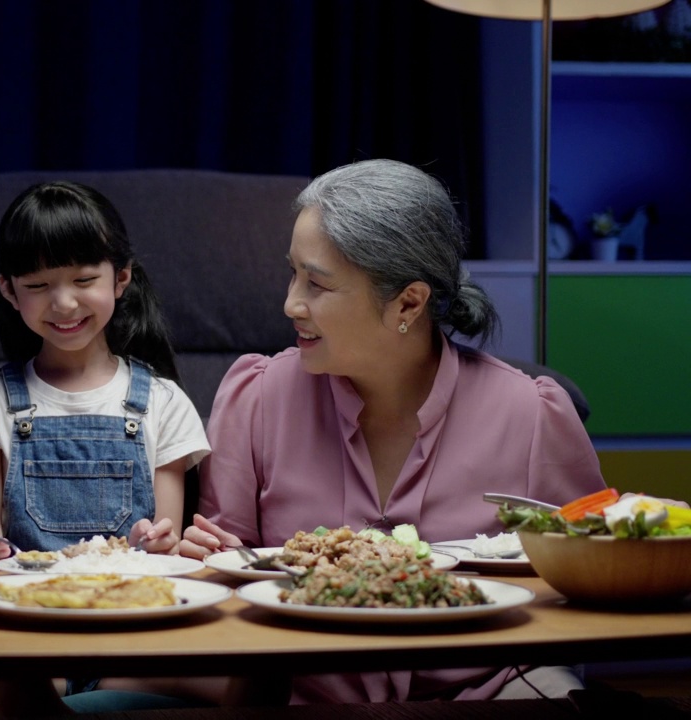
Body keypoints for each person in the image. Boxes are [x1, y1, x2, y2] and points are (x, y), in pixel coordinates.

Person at [179, 158, 608, 704]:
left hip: (491, 689)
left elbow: (592, 582)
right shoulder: (257, 397)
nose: (291, 303)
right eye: (293, 274)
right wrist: (204, 559)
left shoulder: (532, 413)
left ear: (409, 302)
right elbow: (226, 573)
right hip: (305, 695)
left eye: (316, 284)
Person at [0, 180, 212, 717]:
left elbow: (167, 536)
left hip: (133, 626)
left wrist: (158, 539)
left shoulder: (163, 400)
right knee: (1, 666)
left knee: (255, 679)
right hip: (29, 624)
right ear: (8, 289)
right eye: (38, 284)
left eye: (84, 279)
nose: (63, 303)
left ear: (122, 278)